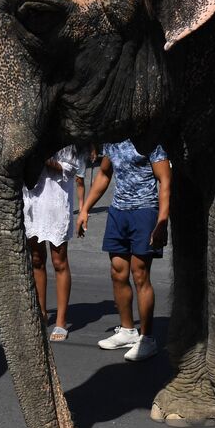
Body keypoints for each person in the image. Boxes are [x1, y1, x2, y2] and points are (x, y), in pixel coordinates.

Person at [76, 140, 170, 362]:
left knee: (140, 274)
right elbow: (104, 174)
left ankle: (147, 339)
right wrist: (85, 209)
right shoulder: (113, 141)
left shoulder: (150, 140)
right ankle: (128, 331)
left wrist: (162, 221)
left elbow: (164, 179)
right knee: (118, 271)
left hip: (145, 211)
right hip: (118, 212)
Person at [24, 146, 86, 341]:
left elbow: (69, 168)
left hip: (56, 201)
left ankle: (61, 320)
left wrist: (41, 156)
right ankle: (41, 313)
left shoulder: (68, 143)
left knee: (59, 260)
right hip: (33, 198)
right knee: (36, 259)